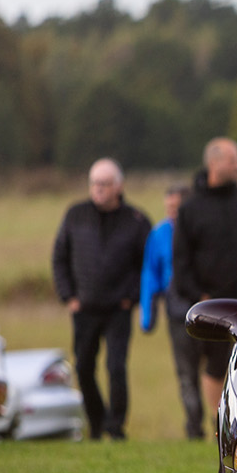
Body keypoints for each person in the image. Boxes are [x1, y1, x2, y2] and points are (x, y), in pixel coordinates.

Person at [51, 158, 151, 441]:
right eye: (94, 183)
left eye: (105, 184)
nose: (99, 189)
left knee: (116, 367)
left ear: (118, 186)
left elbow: (147, 265)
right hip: (84, 307)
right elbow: (59, 257)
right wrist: (68, 296)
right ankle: (96, 422)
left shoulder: (136, 220)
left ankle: (115, 426)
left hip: (118, 308)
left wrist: (131, 297)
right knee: (83, 367)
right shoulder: (75, 215)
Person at [173, 137, 237, 426]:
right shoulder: (191, 209)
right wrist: (198, 295)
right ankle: (219, 426)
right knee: (214, 365)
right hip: (213, 307)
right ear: (214, 163)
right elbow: (181, 262)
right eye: (232, 159)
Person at [140, 183, 206, 440]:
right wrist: (148, 316)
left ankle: (220, 424)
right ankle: (194, 427)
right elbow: (150, 273)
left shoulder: (203, 230)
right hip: (177, 314)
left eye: (177, 207)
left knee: (215, 371)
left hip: (206, 310)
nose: (172, 212)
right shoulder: (159, 234)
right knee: (186, 374)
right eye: (168, 207)